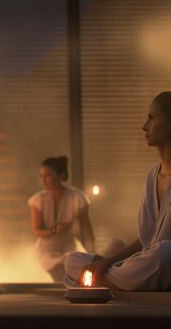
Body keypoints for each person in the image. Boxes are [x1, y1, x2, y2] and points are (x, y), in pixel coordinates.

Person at [65, 92, 171, 291]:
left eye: (152, 118)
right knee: (73, 259)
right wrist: (106, 263)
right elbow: (145, 241)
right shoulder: (152, 177)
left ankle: (105, 281)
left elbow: (157, 250)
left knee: (165, 251)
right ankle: (114, 278)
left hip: (164, 263)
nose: (144, 126)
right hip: (146, 264)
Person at [28, 156, 96, 282]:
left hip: (69, 246)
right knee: (49, 260)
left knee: (72, 258)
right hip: (46, 248)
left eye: (48, 175)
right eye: (41, 176)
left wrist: (92, 254)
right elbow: (37, 230)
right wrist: (54, 230)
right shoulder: (38, 200)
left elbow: (87, 231)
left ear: (61, 175)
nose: (43, 180)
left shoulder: (77, 197)